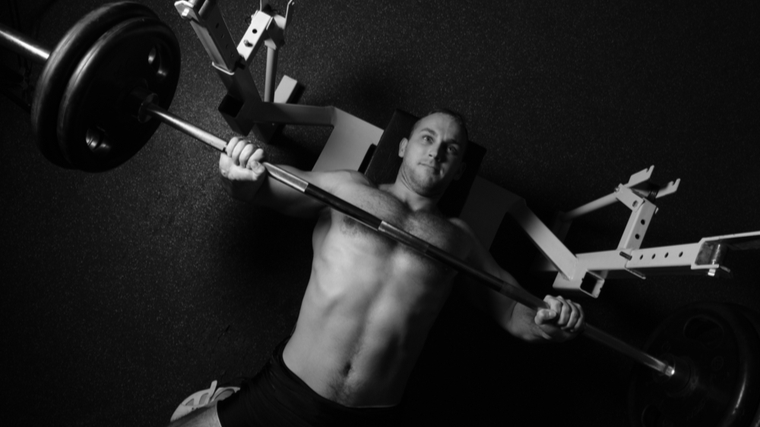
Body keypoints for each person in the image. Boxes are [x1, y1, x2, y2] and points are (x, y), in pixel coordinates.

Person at [168, 109, 585, 427]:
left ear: (458, 171)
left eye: (451, 150)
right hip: (291, 391)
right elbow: (259, 185)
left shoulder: (460, 240)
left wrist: (550, 323)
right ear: (403, 146)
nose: (437, 151)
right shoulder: (348, 187)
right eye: (427, 138)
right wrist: (236, 175)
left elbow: (514, 312)